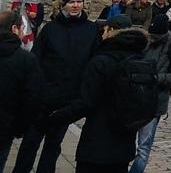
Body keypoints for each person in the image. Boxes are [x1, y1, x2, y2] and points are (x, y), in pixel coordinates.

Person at [47, 14, 154, 173]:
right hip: (124, 142)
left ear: (110, 30)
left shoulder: (102, 60)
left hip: (97, 141)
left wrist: (53, 118)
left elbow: (86, 102)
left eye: (104, 30)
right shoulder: (139, 58)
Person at [12, 0, 100, 173]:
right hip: (43, 98)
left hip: (67, 100)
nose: (75, 5)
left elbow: (93, 63)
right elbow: (36, 59)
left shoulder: (91, 30)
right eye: (71, 2)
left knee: (53, 145)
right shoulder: (51, 28)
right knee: (30, 142)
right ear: (64, 5)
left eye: (79, 2)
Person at [128, 19, 171, 173]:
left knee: (143, 147)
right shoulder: (143, 41)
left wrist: (157, 78)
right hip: (135, 99)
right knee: (125, 142)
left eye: (155, 37)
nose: (151, 39)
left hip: (155, 102)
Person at [0, 9, 45, 170]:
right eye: (22, 28)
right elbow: (31, 98)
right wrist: (20, 127)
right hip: (5, 127)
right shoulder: (26, 60)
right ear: (14, 29)